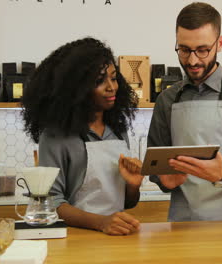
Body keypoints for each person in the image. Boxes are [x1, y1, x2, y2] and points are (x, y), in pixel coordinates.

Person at [148, 2, 222, 221]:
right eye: (184, 50)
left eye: (203, 50)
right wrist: (162, 179)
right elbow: (155, 165)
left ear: (220, 43)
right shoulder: (166, 99)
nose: (193, 60)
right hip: (181, 225)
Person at [22, 37, 143, 235]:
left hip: (116, 236)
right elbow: (53, 203)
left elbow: (127, 203)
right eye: (99, 81)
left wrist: (132, 186)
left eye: (113, 77)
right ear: (76, 88)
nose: (111, 87)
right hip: (74, 239)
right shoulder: (55, 136)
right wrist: (101, 222)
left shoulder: (117, 130)